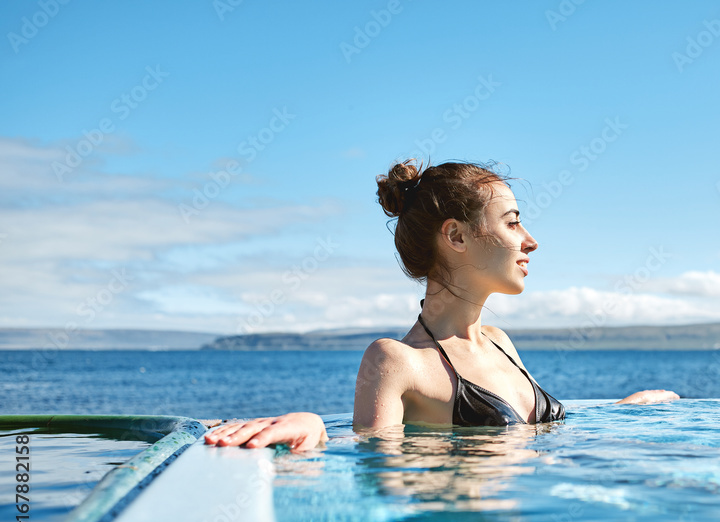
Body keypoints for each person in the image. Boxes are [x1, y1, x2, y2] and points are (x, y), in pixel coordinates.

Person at [205, 159, 677, 451]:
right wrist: (315, 428)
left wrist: (622, 412)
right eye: (513, 223)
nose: (531, 242)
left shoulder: (500, 342)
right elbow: (374, 467)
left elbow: (538, 438)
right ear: (455, 236)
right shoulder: (395, 361)